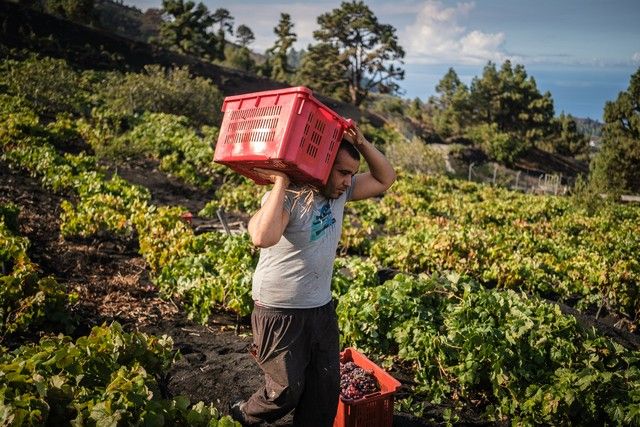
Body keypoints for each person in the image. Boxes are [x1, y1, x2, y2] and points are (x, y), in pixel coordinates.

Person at [231, 123, 396, 426]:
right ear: (321, 167)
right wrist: (280, 181)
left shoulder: (339, 195)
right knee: (285, 392)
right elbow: (262, 237)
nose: (348, 181)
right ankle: (244, 413)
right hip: (280, 310)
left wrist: (362, 141)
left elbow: (385, 179)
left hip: (320, 307)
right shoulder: (290, 197)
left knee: (323, 394)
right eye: (343, 172)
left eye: (351, 173)